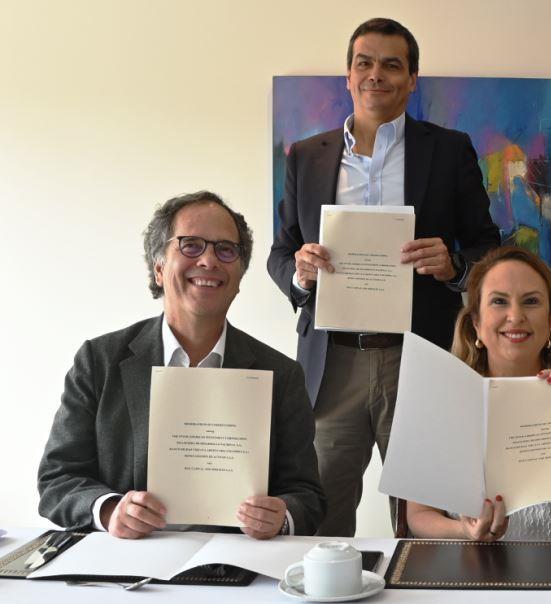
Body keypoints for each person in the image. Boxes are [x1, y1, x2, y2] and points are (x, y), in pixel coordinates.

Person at [267, 17, 499, 537]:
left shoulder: (450, 149)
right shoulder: (306, 156)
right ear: (348, 76)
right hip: (332, 363)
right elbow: (281, 252)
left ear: (412, 79)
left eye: (392, 65)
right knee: (322, 519)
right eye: (364, 63)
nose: (376, 74)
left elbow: (489, 245)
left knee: (429, 521)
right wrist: (299, 274)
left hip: (420, 355)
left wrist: (455, 266)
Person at [37, 191, 325, 538]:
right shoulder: (98, 361)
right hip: (128, 560)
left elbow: (307, 496)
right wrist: (111, 510)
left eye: (226, 250)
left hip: (236, 562)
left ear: (238, 277)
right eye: (191, 245)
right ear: (159, 268)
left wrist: (282, 516)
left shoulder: (281, 374)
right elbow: (57, 479)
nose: (209, 260)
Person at [406, 247, 551, 541]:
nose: (515, 316)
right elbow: (419, 516)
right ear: (476, 322)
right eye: (499, 301)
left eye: (531, 301)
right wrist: (464, 531)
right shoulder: (442, 400)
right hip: (467, 564)